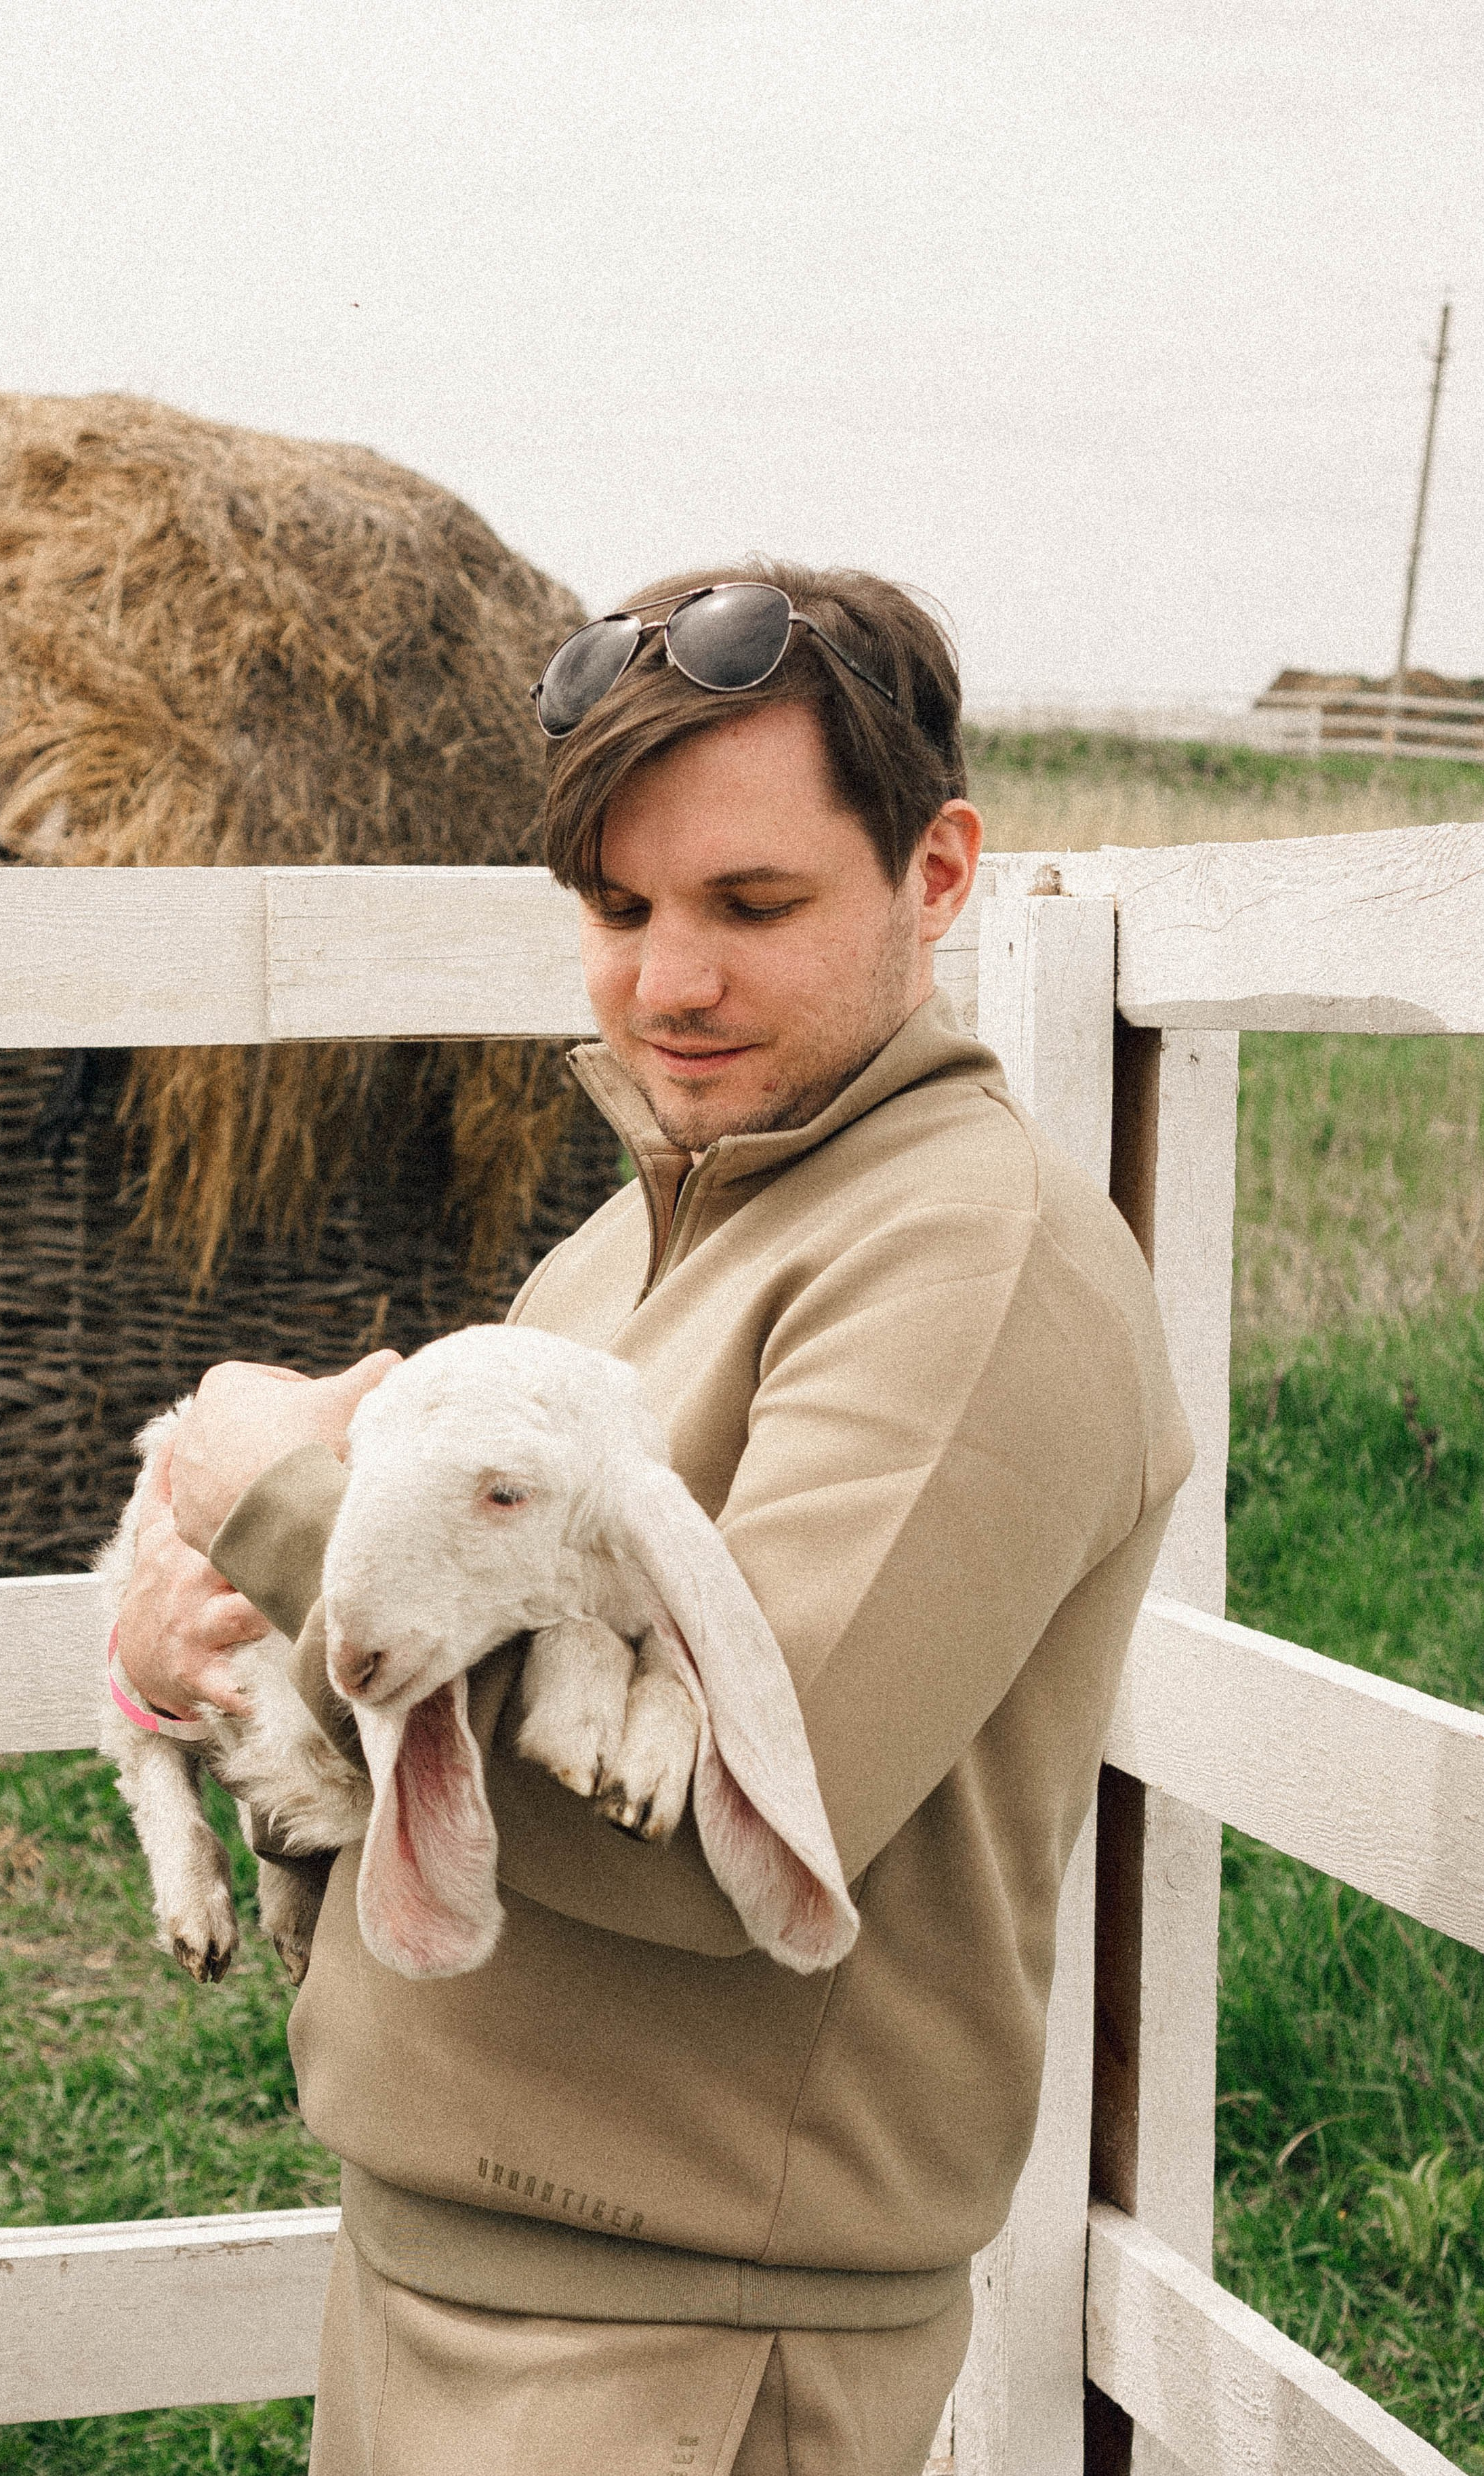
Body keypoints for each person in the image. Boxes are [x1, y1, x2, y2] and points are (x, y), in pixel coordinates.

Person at [116, 563, 1193, 2476]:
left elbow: (730, 1836)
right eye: (617, 909)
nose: (664, 980)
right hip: (457, 2265)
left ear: (936, 876)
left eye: (750, 905)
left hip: (678, 2348)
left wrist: (266, 1501)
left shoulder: (967, 1256)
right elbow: (458, 1676)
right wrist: (216, 1635)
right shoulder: (631, 1236)